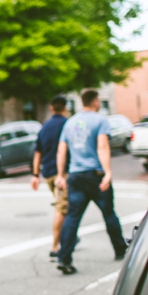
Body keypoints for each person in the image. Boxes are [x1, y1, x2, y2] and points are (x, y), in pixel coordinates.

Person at [54, 90, 128, 275]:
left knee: (72, 217)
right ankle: (120, 250)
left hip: (76, 176)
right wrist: (108, 172)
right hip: (95, 175)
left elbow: (61, 150)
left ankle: (64, 258)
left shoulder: (70, 123)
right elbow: (102, 146)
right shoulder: (100, 120)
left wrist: (61, 175)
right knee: (109, 213)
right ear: (95, 102)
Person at [30, 96, 69, 258]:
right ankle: (55, 246)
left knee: (65, 207)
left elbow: (37, 152)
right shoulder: (67, 124)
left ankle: (68, 236)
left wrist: (35, 175)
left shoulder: (44, 127)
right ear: (65, 108)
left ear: (52, 108)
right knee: (62, 209)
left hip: (48, 174)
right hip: (63, 174)